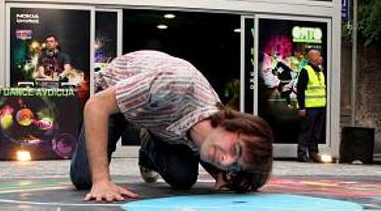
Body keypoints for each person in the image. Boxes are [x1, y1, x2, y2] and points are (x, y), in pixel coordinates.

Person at [69, 50, 274, 202]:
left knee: (182, 178)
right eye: (235, 150)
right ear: (231, 124)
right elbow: (96, 106)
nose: (224, 160)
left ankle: (148, 148)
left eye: (234, 165)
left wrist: (225, 178)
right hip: (112, 93)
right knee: (84, 178)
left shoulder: (217, 136)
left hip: (158, 116)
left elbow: (220, 158)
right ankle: (147, 132)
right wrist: (101, 180)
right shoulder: (176, 84)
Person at [295, 48, 327, 163]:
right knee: (306, 131)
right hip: (309, 108)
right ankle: (302, 153)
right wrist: (302, 107)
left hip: (320, 107)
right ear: (312, 57)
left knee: (316, 132)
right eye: (319, 56)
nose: (321, 58)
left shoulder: (320, 72)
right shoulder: (305, 71)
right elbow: (300, 90)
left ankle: (313, 153)